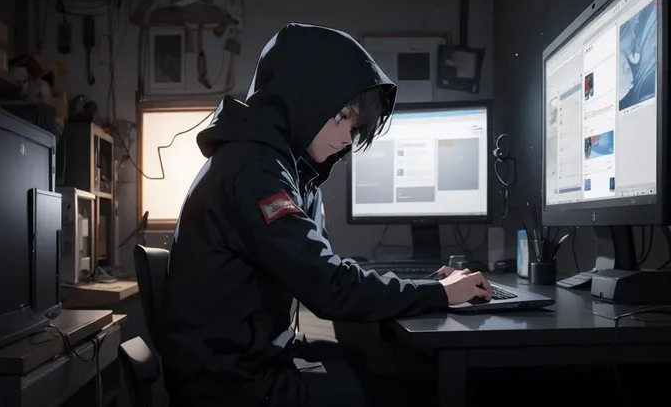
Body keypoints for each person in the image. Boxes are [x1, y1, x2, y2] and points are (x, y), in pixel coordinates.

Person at [160, 23, 493, 407]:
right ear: (302, 98)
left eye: (355, 124)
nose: (349, 137)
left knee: (373, 363)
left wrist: (426, 287)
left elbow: (325, 269)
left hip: (246, 358)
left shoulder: (277, 165)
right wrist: (437, 294)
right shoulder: (254, 170)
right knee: (398, 387)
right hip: (231, 384)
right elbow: (329, 287)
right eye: (342, 116)